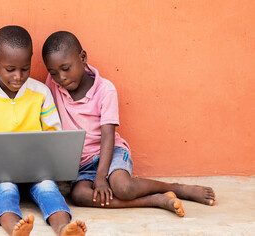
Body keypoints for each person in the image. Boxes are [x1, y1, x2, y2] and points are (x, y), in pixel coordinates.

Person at [42, 31, 216, 217]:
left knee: (123, 188)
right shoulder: (53, 85)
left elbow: (108, 136)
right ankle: (155, 200)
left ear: (83, 57)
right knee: (79, 195)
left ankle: (177, 188)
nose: (61, 78)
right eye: (54, 73)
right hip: (81, 165)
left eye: (66, 68)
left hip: (110, 152)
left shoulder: (105, 89)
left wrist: (101, 177)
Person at [0, 26, 87, 236]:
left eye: (25, 69)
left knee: (47, 188)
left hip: (36, 172)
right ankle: (15, 227)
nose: (18, 76)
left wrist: (56, 165)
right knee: (5, 188)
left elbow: (54, 136)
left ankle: (63, 227)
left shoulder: (41, 93)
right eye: (10, 69)